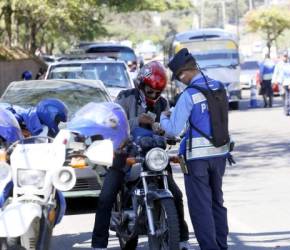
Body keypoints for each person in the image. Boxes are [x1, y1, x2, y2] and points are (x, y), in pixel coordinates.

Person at [92, 61, 191, 250]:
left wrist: (166, 130)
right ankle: (98, 244)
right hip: (125, 154)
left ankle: (182, 240)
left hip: (154, 157)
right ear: (141, 85)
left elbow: (171, 129)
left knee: (176, 194)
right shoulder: (125, 97)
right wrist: (138, 120)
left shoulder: (162, 103)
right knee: (106, 197)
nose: (154, 95)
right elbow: (112, 122)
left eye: (157, 92)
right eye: (150, 90)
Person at [160, 48, 230, 250]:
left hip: (196, 159)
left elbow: (174, 129)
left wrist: (164, 117)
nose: (181, 81)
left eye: (180, 77)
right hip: (220, 154)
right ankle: (221, 246)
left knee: (200, 207)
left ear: (185, 72)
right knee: (217, 202)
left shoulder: (189, 95)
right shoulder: (219, 87)